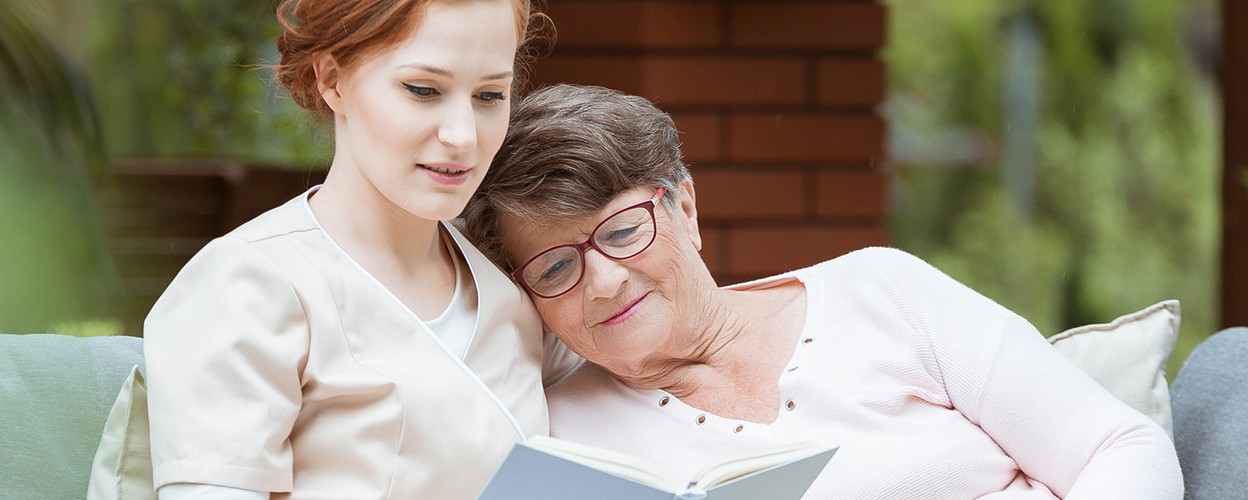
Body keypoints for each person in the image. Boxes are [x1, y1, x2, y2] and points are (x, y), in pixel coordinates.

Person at [459, 84, 1183, 499]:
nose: (605, 279)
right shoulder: (562, 439)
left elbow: (1119, 446)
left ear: (685, 208)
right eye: (556, 267)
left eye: (622, 231)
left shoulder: (882, 290)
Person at [141, 1, 577, 499]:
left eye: (490, 95)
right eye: (423, 90)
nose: (463, 135)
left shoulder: (514, 286)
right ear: (333, 80)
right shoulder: (246, 284)